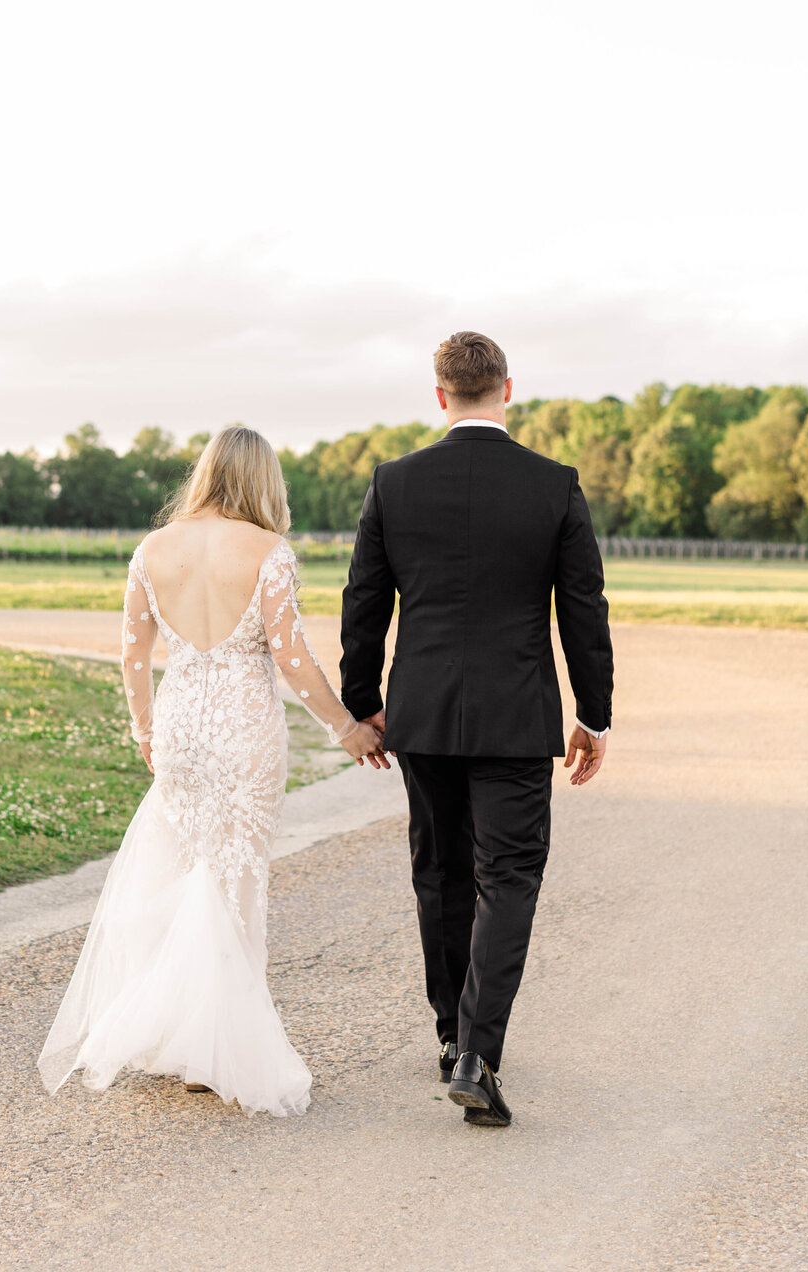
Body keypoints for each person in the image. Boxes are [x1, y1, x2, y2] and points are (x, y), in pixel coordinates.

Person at [38, 425, 384, 1118]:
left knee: (187, 867)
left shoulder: (153, 550)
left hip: (182, 725)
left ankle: (183, 1035)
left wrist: (145, 729)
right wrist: (345, 725)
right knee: (237, 875)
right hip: (243, 726)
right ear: (263, 482)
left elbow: (133, 654)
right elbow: (291, 658)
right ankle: (212, 1051)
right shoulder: (268, 553)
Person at [340, 331, 614, 1127]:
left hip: (421, 713)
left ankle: (449, 1037)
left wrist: (365, 702)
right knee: (510, 879)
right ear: (506, 389)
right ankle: (475, 1051)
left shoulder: (394, 483)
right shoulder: (552, 484)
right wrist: (591, 713)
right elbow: (583, 608)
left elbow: (365, 601)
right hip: (515, 714)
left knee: (441, 874)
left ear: (439, 396)